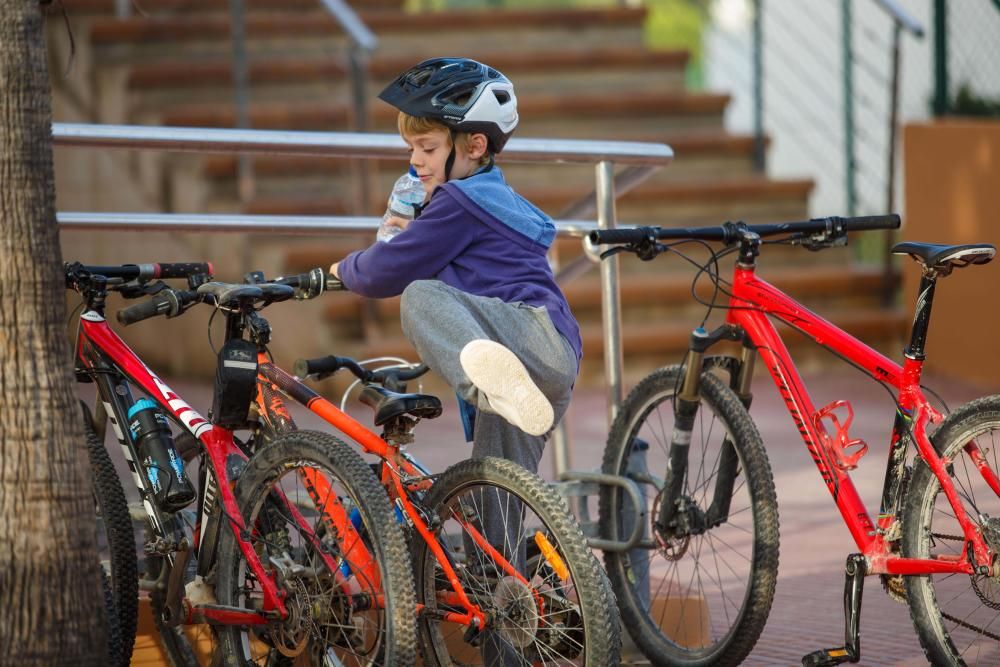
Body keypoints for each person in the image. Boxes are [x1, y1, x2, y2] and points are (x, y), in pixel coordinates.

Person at [329, 57, 582, 480]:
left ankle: (487, 381)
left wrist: (342, 268)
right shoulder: (491, 199)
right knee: (495, 499)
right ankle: (526, 542)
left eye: (428, 148)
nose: (416, 162)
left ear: (475, 146)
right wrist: (421, 230)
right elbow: (458, 256)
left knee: (418, 296)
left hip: (528, 338)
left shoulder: (459, 201)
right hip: (552, 360)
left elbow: (385, 271)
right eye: (411, 149)